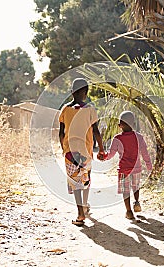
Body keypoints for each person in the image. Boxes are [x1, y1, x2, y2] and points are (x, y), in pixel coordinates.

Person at [59, 78, 105, 226]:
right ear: (85, 93)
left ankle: (80, 214)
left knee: (75, 182)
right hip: (86, 152)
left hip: (70, 153)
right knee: (85, 179)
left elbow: (61, 133)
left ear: (72, 92)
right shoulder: (90, 110)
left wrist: (63, 148)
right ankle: (85, 205)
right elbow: (96, 131)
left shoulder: (65, 109)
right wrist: (102, 149)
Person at [102, 111, 152, 220]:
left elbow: (111, 154)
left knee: (126, 191)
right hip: (137, 169)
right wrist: (149, 165)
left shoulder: (117, 139)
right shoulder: (139, 137)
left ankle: (129, 211)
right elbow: (145, 153)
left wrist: (104, 157)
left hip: (124, 170)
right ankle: (137, 202)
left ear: (120, 125)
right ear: (133, 124)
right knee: (136, 187)